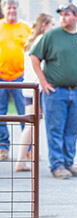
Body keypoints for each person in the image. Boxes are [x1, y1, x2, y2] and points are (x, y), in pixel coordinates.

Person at [30, 4, 77, 179]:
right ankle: (57, 165)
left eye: (67, 14)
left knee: (73, 130)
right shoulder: (51, 36)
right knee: (55, 129)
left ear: (76, 16)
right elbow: (34, 57)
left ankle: (68, 163)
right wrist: (43, 82)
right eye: (61, 15)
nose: (63, 18)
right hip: (55, 92)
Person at [15, 13, 54, 172]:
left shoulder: (31, 41)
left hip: (28, 87)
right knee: (31, 125)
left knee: (31, 124)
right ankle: (21, 160)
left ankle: (26, 159)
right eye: (51, 25)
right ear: (44, 25)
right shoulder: (42, 41)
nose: (53, 28)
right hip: (36, 88)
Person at [0, 0, 31, 161]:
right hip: (1, 77)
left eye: (14, 7)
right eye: (8, 7)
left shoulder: (26, 27)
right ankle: (3, 147)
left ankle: (27, 150)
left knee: (25, 114)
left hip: (21, 77)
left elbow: (32, 50)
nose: (11, 10)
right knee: (1, 114)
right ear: (3, 10)